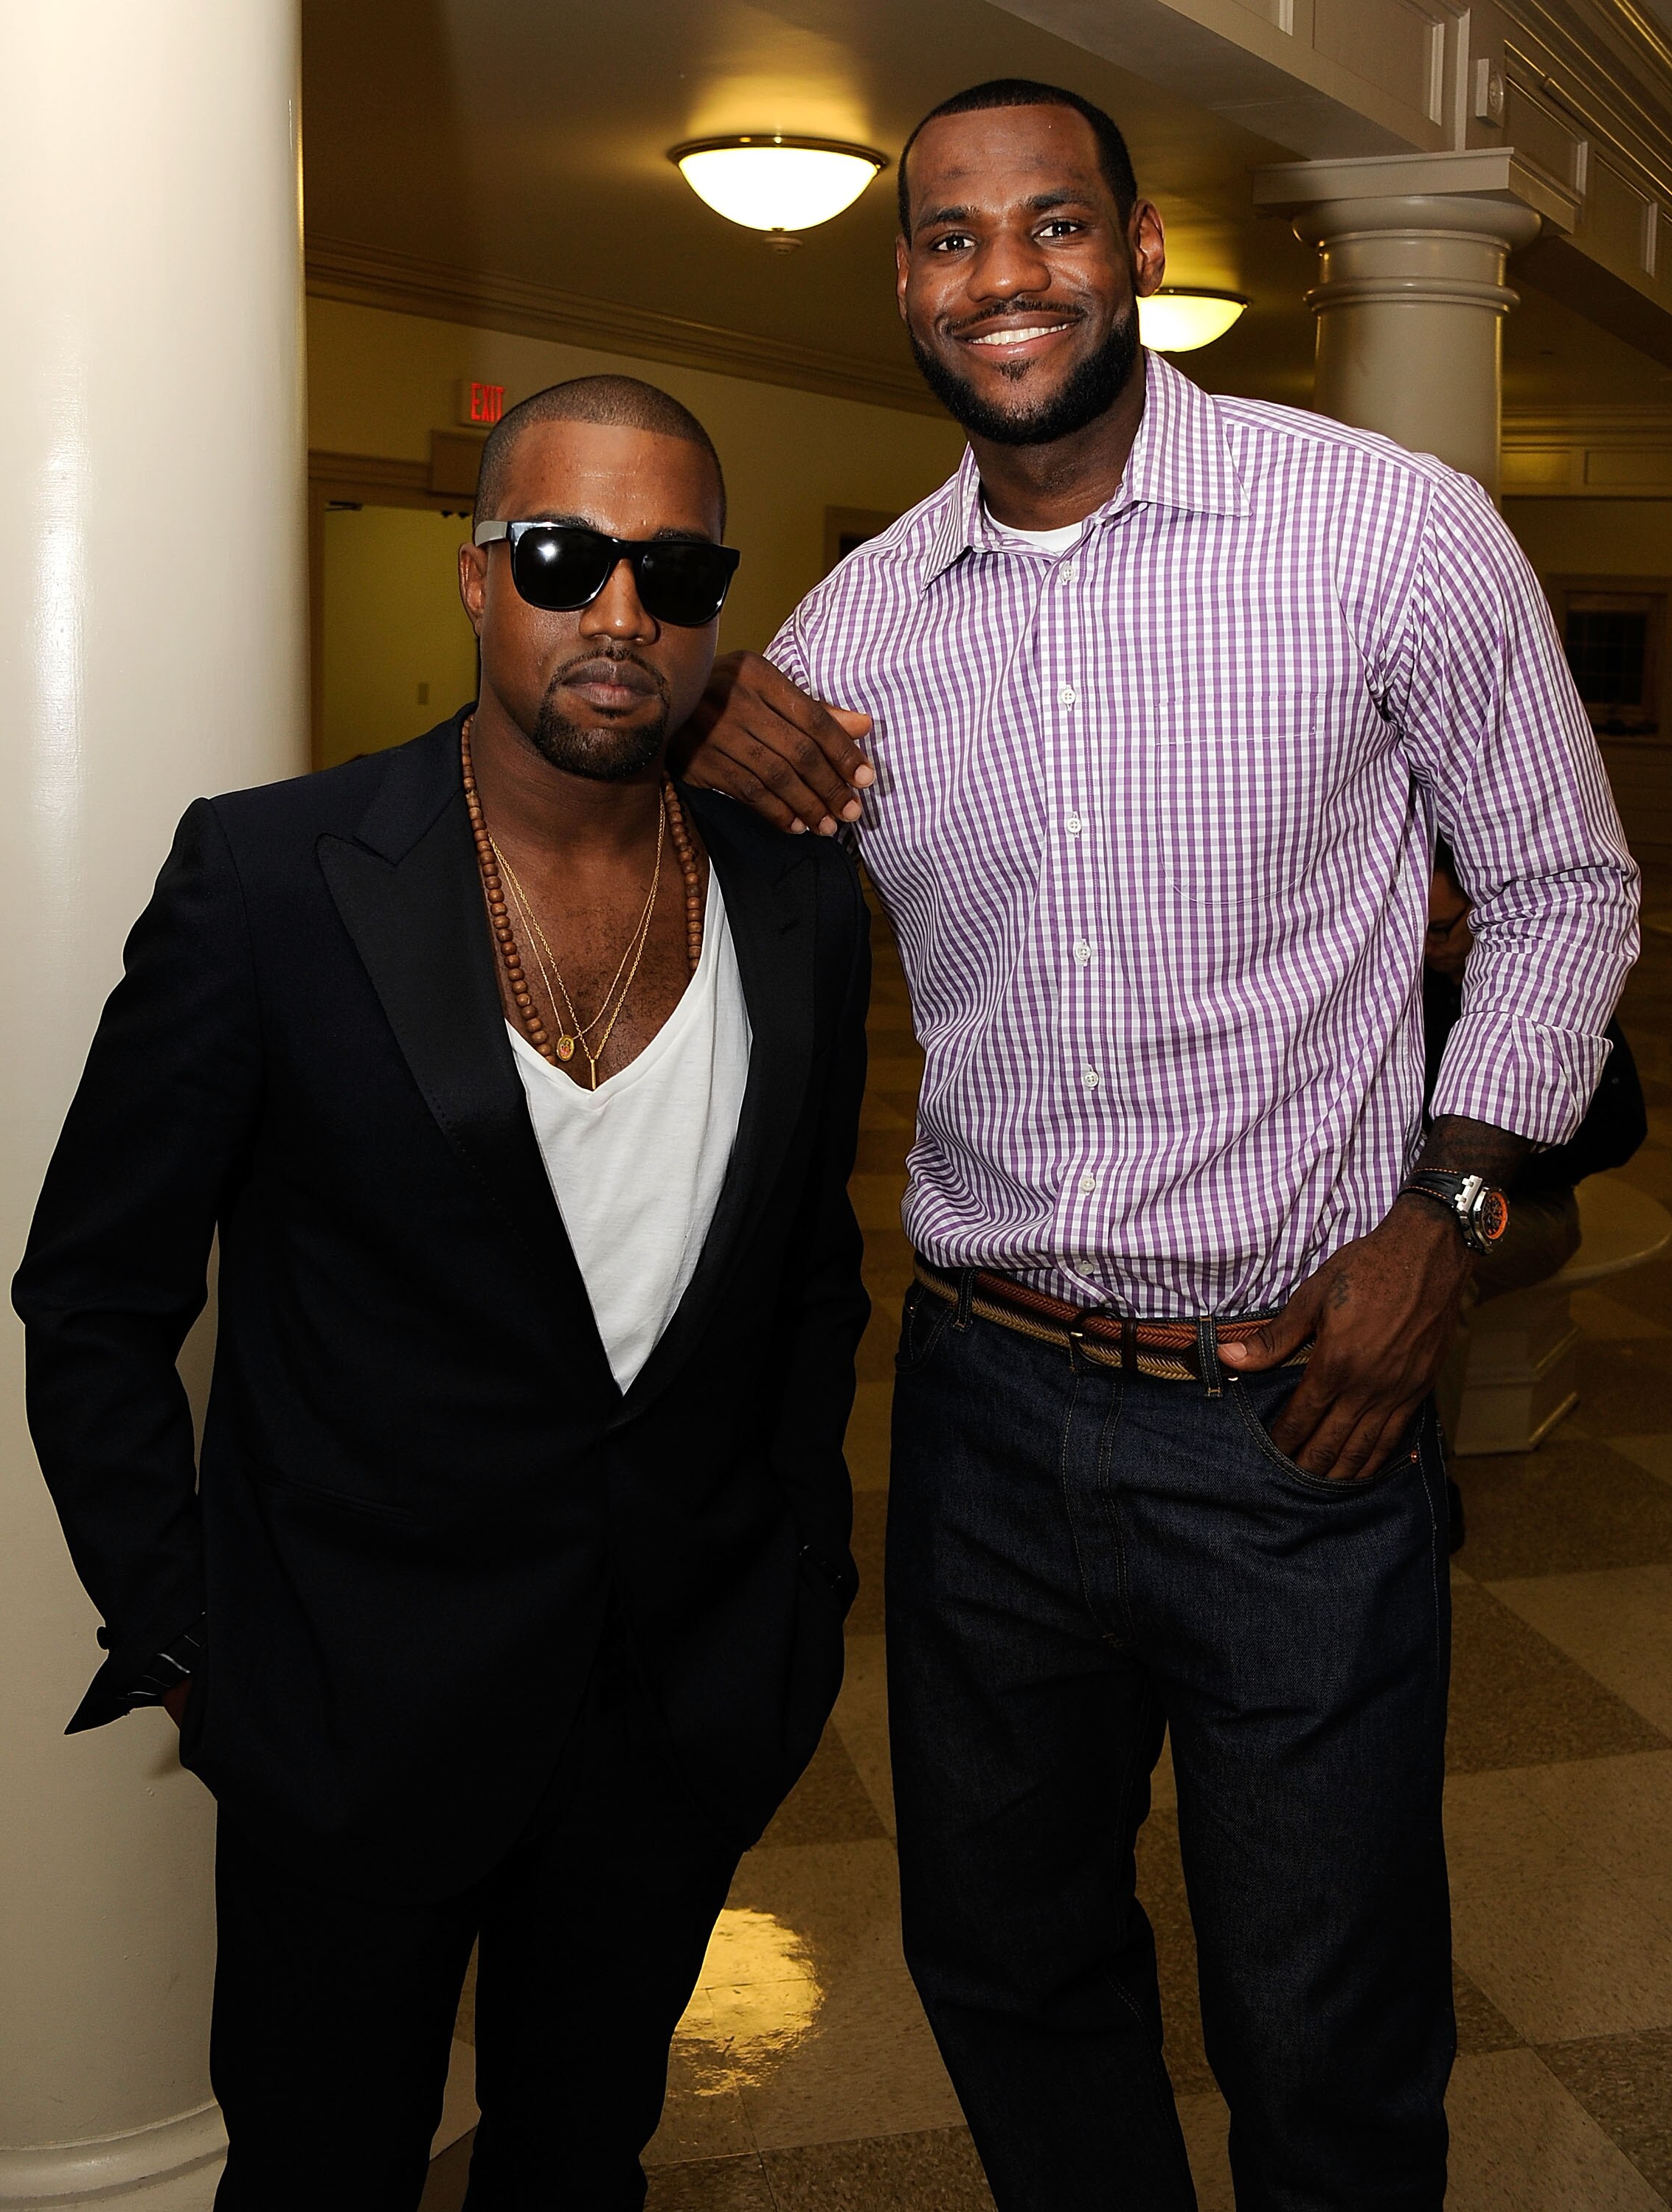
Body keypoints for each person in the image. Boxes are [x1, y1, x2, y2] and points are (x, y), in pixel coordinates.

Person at [679, 77, 1639, 2212]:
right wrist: (689, 714)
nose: (1000, 274)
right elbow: (665, 935)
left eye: (1048, 225)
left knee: (1324, 2015)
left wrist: (1449, 1212)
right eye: (947, 237)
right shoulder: (855, 643)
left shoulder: (1379, 527)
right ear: (903, 281)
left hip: (1292, 1406)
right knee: (1005, 1965)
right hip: (981, 1412)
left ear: (1131, 245)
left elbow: (1568, 889)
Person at [13, 375, 870, 2212]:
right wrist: (190, 1640)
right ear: (478, 579)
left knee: (578, 2163)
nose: (620, 613)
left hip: (672, 1708)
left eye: (675, 568)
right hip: (345, 1713)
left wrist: (798, 1596)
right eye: (566, 557)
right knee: (320, 2169)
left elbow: (810, 1283)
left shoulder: (801, 909)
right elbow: (91, 1294)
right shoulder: (269, 880)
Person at [1426, 835, 1646, 1295]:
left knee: (1431, 1276)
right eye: (1415, 931)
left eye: (1441, 929)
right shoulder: (1420, 986)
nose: (1427, 948)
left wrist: (1485, 1166)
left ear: (1482, 913)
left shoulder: (1549, 994)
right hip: (1429, 1197)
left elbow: (1621, 1127)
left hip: (1530, 1202)